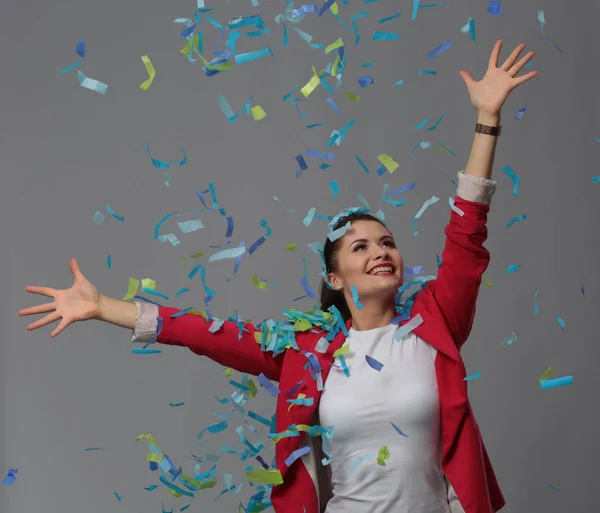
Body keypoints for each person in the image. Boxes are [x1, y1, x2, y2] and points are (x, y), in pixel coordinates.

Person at [19, 40, 538, 513]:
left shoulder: (435, 321)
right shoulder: (306, 349)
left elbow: (466, 233)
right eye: (361, 247)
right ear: (336, 279)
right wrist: (101, 305)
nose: (381, 252)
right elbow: (203, 332)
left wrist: (486, 120)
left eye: (387, 243)